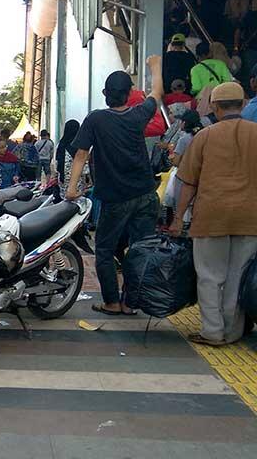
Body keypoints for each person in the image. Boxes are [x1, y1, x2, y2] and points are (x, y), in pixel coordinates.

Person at [66, 55, 164, 316]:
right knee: (141, 249)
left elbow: (80, 154)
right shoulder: (139, 114)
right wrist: (155, 66)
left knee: (106, 250)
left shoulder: (96, 119)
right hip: (145, 193)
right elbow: (157, 92)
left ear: (104, 93)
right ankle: (131, 303)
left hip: (115, 198)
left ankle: (111, 301)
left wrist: (71, 188)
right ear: (130, 94)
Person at [169, 82, 257, 346]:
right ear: (242, 104)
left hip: (211, 217)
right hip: (250, 218)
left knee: (209, 276)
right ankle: (232, 332)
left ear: (216, 108)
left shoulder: (204, 137)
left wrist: (177, 219)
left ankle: (212, 332)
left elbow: (188, 183)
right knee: (237, 277)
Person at [56, 119, 80, 185]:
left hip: (63, 178)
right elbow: (85, 167)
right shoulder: (79, 146)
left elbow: (57, 162)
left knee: (64, 195)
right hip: (77, 179)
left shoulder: (60, 144)